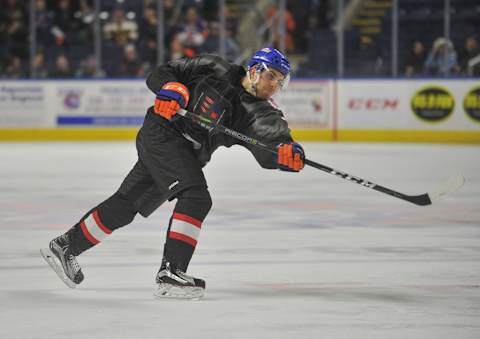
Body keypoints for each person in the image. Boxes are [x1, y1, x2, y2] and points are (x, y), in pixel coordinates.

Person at [41, 47, 306, 299]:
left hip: (185, 153)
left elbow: (273, 138)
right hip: (162, 132)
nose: (274, 84)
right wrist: (171, 87)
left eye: (280, 81)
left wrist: (285, 152)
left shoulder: (261, 111)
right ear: (254, 69)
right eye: (271, 75)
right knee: (196, 197)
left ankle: (66, 246)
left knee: (127, 204)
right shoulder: (213, 67)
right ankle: (171, 273)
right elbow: (163, 73)